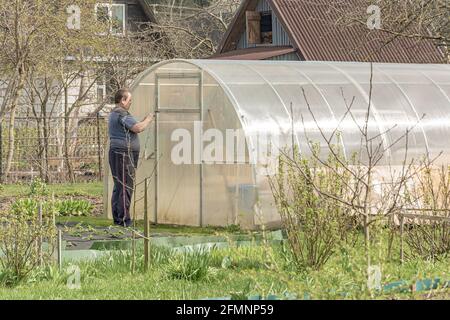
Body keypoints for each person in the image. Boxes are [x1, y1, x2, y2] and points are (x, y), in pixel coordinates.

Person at [108, 88, 154, 227]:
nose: (130, 103)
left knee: (119, 186)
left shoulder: (115, 113)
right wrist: (149, 118)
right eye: (129, 100)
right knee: (125, 187)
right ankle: (123, 220)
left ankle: (118, 219)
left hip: (118, 153)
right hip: (123, 154)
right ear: (122, 100)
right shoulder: (121, 113)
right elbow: (138, 128)